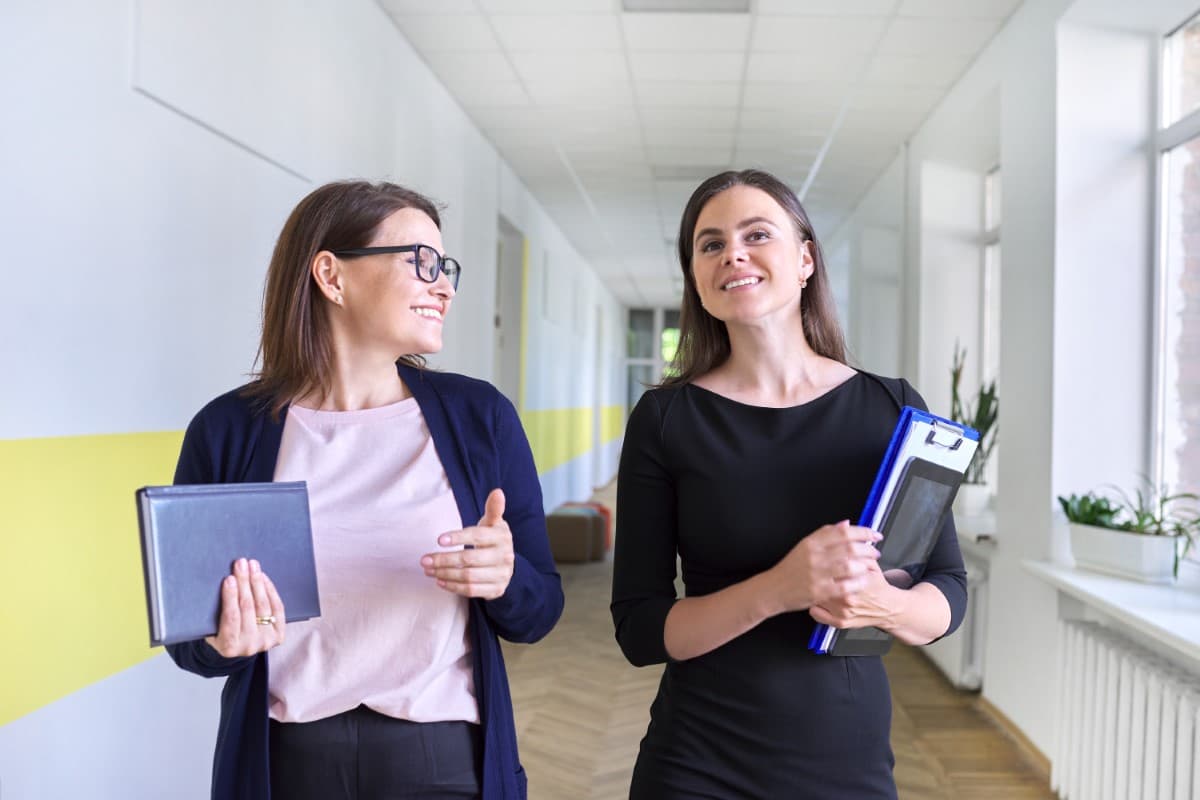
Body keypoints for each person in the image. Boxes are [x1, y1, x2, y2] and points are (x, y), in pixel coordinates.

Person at [167, 180, 564, 800]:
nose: (445, 287)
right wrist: (222, 641)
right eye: (421, 262)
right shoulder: (228, 430)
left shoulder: (479, 418)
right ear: (332, 275)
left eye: (445, 266)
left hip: (443, 761)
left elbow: (541, 611)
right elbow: (193, 644)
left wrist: (506, 579)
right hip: (285, 762)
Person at [610, 169, 968, 799]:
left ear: (805, 260)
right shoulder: (665, 419)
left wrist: (886, 606)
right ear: (695, 275)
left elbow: (947, 590)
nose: (734, 255)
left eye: (756, 234)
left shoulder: (889, 407)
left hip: (845, 759)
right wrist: (779, 588)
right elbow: (640, 629)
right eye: (711, 243)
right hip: (697, 760)